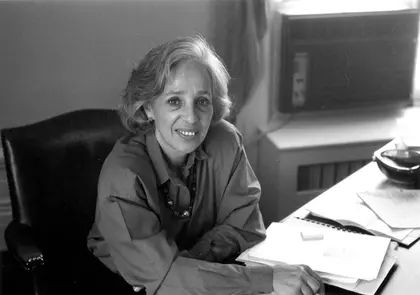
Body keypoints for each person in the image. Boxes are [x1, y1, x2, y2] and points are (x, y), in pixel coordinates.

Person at [87, 35, 324, 295]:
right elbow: (162, 282)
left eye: (202, 101)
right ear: (148, 109)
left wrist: (187, 264)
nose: (191, 118)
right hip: (123, 282)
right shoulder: (123, 176)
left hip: (205, 275)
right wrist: (266, 279)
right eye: (174, 101)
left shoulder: (225, 140)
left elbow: (245, 228)